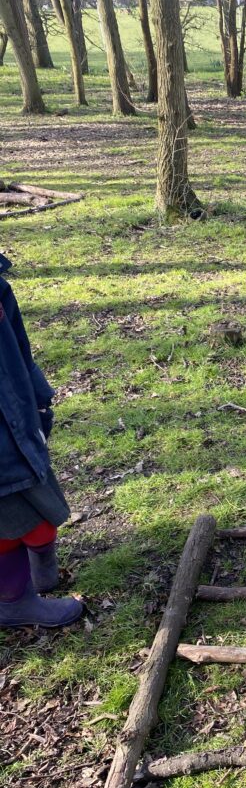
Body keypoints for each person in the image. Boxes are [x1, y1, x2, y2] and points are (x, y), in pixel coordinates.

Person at [0, 252, 83, 628]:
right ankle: (14, 598)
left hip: (14, 413)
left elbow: (18, 343)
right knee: (10, 517)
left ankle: (42, 569)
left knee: (40, 500)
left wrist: (37, 396)